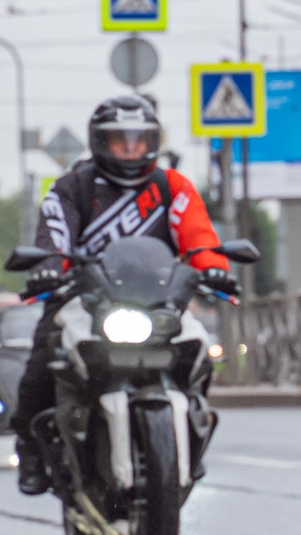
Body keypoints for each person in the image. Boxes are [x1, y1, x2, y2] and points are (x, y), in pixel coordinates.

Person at [13, 93, 230, 495]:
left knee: (198, 350)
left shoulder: (172, 186)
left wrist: (213, 265)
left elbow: (198, 234)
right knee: (43, 357)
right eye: (120, 141)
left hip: (159, 299)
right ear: (100, 142)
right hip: (85, 296)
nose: (131, 150)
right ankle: (29, 447)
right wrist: (48, 266)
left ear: (153, 142)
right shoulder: (73, 186)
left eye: (140, 141)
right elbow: (55, 233)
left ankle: (193, 429)